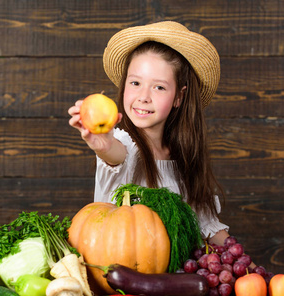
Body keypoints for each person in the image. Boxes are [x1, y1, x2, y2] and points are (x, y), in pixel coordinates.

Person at [68, 21, 230, 246]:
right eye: (135, 82)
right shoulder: (124, 146)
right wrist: (103, 145)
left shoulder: (183, 157)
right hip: (120, 277)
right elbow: (114, 155)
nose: (143, 96)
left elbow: (208, 227)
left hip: (177, 280)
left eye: (159, 87)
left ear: (178, 97)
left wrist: (259, 276)